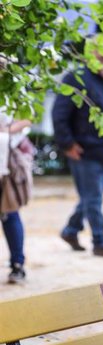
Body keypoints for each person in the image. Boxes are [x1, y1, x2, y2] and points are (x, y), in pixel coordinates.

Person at [52, 35, 103, 258]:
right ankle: (99, 242)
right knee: (93, 198)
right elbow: (59, 114)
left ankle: (71, 230)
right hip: (83, 150)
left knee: (90, 197)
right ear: (89, 52)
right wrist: (67, 144)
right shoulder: (76, 77)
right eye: (100, 51)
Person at [0, 107, 32, 284]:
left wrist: (6, 130)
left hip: (6, 161)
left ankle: (17, 264)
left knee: (10, 213)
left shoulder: (11, 84)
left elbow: (29, 117)